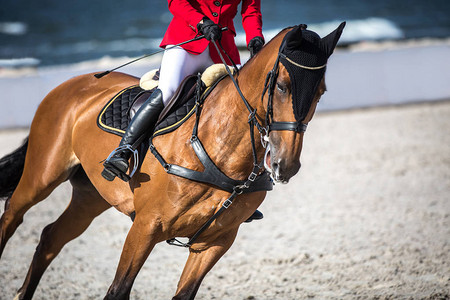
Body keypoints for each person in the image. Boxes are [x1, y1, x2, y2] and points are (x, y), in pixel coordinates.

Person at [102, 0, 265, 182]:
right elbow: (177, 2)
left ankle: (251, 175)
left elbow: (251, 9)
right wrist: (201, 22)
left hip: (221, 44)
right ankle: (123, 151)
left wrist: (255, 37)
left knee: (243, 100)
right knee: (168, 92)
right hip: (187, 40)